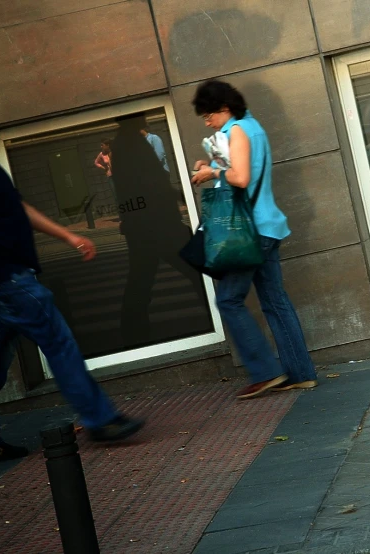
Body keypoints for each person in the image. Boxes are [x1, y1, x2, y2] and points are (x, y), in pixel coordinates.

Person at [0, 90, 144, 467]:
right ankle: (100, 419)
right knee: (59, 342)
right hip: (4, 279)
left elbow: (19, 209)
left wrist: (68, 235)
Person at [190, 80, 317, 399]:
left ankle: (265, 372)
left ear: (224, 108)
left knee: (228, 299)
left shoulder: (236, 131)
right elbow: (240, 169)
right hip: (266, 227)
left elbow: (240, 178)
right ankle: (300, 374)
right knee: (275, 301)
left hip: (250, 232)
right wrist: (211, 166)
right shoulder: (252, 127)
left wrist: (213, 174)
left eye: (208, 115)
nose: (207, 121)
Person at [110, 113, 207, 347]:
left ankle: (133, 333)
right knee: (197, 269)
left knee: (140, 279)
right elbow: (152, 183)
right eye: (141, 115)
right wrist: (177, 195)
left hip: (144, 225)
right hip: (158, 224)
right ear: (132, 120)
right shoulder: (131, 144)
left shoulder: (126, 143)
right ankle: (222, 314)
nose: (146, 119)